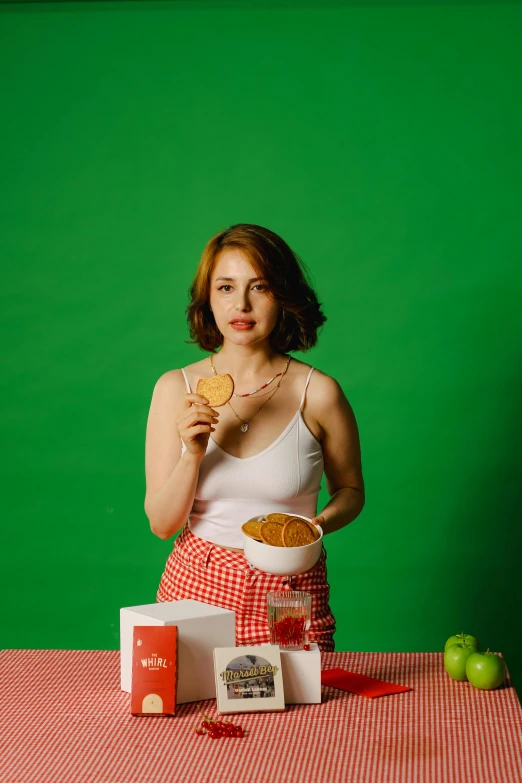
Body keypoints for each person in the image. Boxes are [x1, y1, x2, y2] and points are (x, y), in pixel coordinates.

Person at [144, 223, 365, 651]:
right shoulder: (176, 389)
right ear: (207, 298)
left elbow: (352, 491)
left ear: (282, 295)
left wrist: (314, 527)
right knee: (194, 713)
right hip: (196, 587)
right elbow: (161, 524)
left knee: (295, 714)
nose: (241, 304)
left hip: (290, 590)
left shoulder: (317, 392)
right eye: (225, 287)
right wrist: (192, 453)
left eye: (259, 286)